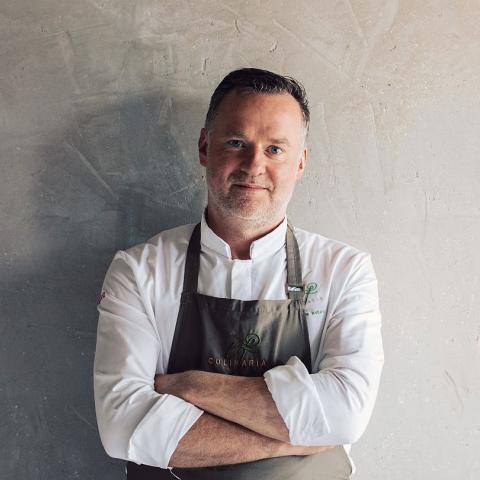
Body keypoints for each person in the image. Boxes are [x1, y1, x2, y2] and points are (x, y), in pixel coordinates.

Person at [93, 68, 384, 479]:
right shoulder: (139, 271)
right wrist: (300, 437)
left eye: (275, 149)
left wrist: (190, 386)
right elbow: (123, 426)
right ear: (204, 147)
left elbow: (346, 414)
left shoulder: (345, 271)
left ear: (300, 162)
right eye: (236, 142)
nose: (254, 165)